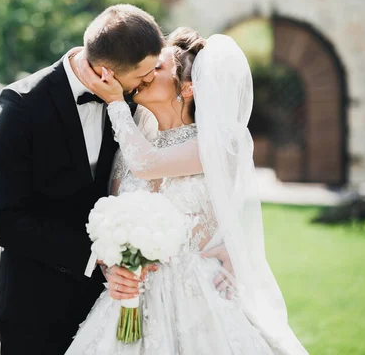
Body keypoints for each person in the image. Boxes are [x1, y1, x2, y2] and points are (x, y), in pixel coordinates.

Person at [65, 28, 308, 354]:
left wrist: (114, 102)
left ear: (189, 87)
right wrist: (115, 264)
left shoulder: (216, 145)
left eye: (158, 68)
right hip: (129, 301)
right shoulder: (131, 146)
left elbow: (147, 165)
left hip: (197, 298)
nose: (146, 73)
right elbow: (113, 214)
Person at [0, 4, 165, 355]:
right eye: (142, 75)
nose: (148, 81)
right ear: (105, 73)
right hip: (36, 305)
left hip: (107, 311)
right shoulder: (21, 106)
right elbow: (5, 221)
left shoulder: (130, 106)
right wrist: (96, 259)